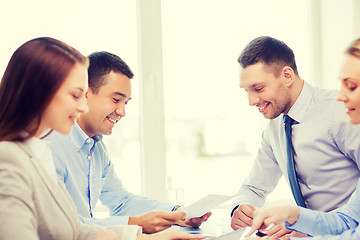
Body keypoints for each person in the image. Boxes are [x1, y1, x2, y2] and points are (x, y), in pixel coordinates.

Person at [0, 36, 206, 240]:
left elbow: (74, 227)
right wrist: (137, 227)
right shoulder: (16, 157)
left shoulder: (52, 151)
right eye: (75, 95)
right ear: (41, 92)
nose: (82, 106)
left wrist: (172, 217)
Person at [45, 51, 211, 234]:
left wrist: (176, 214)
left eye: (126, 102)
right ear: (85, 94)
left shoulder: (97, 149)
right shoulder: (50, 145)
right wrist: (136, 223)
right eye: (116, 99)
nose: (122, 112)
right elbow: (66, 225)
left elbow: (122, 202)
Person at [230, 36, 360, 239]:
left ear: (287, 76)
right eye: (246, 91)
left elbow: (350, 222)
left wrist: (303, 226)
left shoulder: (343, 112)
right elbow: (254, 187)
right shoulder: (274, 127)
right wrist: (241, 208)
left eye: (258, 88)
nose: (251, 101)